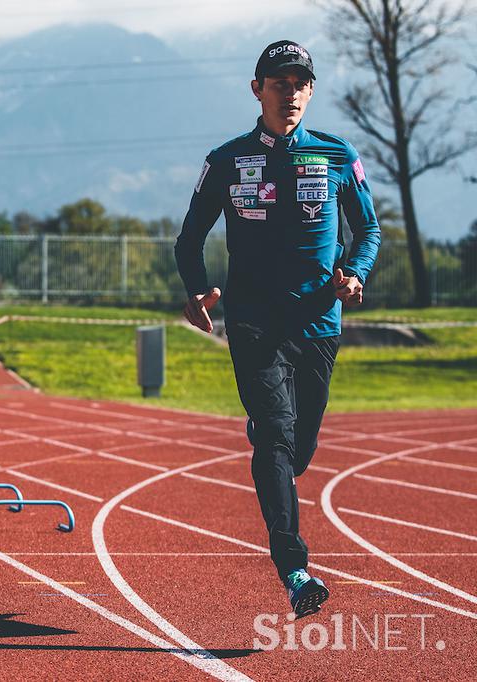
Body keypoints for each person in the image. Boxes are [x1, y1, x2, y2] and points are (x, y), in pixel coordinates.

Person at [174, 40, 381, 617]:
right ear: (257, 89)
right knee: (275, 433)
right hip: (253, 321)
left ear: (310, 91)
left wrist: (356, 275)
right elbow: (189, 239)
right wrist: (196, 289)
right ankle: (294, 568)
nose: (289, 92)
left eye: (299, 82)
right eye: (278, 81)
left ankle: (276, 465)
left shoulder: (338, 155)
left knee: (298, 448)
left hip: (317, 323)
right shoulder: (228, 159)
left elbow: (368, 232)